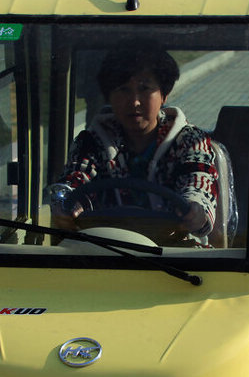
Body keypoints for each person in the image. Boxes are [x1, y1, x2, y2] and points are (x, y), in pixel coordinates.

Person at [51, 41, 219, 242]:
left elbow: (198, 182)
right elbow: (76, 178)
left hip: (176, 253)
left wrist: (195, 207)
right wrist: (67, 202)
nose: (134, 101)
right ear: (109, 96)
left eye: (144, 88)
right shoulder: (91, 141)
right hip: (104, 252)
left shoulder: (190, 140)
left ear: (164, 95)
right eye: (123, 89)